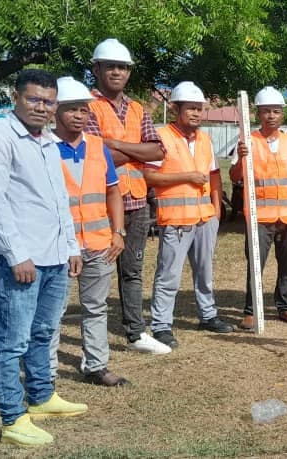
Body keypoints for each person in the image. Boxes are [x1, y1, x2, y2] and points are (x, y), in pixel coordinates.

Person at [0, 69, 88, 447]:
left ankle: (41, 397)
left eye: (48, 101)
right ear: (15, 96)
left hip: (54, 255)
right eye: (34, 99)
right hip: (22, 259)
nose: (42, 107)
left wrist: (71, 246)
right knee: (11, 340)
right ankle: (12, 418)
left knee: (43, 332)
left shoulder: (47, 142)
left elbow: (59, 201)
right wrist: (15, 254)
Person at [84, 38, 170, 355]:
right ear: (96, 69)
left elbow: (158, 150)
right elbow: (93, 152)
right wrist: (136, 152)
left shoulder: (137, 109)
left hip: (136, 201)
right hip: (102, 203)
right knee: (99, 271)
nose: (117, 72)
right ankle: (94, 336)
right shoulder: (87, 106)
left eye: (122, 67)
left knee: (132, 270)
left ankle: (135, 333)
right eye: (111, 66)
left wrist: (116, 146)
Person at [49, 77, 129, 386]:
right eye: (71, 110)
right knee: (52, 311)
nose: (79, 116)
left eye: (84, 110)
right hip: (57, 247)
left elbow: (113, 192)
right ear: (56, 111)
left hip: (98, 243)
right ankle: (47, 371)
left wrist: (118, 232)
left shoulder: (97, 147)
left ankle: (96, 365)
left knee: (96, 308)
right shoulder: (44, 148)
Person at [145, 81, 235, 349]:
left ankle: (208, 315)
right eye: (191, 108)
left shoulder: (205, 140)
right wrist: (186, 176)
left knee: (205, 271)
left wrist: (217, 210)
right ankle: (161, 325)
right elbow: (148, 175)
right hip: (176, 219)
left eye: (199, 109)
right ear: (176, 109)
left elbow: (214, 176)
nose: (196, 113)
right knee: (168, 274)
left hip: (205, 217)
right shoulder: (162, 137)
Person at [232, 87, 287, 330]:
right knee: (256, 264)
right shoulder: (247, 142)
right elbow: (235, 176)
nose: (271, 116)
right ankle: (250, 310)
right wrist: (242, 157)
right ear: (258, 114)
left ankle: (285, 306)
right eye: (266, 111)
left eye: (276, 111)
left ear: (282, 114)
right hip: (259, 216)